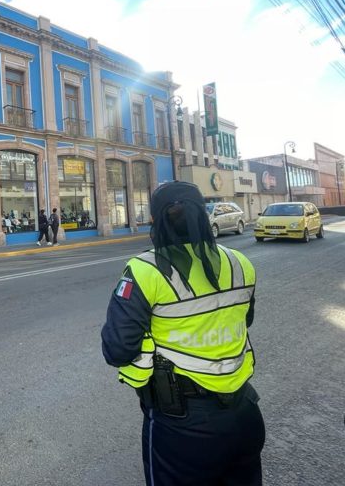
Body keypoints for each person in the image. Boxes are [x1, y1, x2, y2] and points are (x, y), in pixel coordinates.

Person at [101, 181, 264, 486]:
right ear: (203, 215)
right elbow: (247, 318)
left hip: (182, 426)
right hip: (245, 414)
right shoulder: (239, 262)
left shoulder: (146, 270)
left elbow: (118, 348)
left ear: (155, 220)